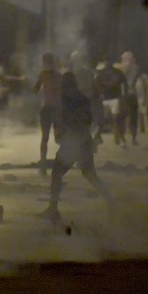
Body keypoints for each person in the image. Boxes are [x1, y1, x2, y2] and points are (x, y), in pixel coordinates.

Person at [39, 71, 114, 223]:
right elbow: (88, 120)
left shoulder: (65, 99)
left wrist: (62, 133)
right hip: (85, 139)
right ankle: (112, 202)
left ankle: (53, 210)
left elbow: (64, 119)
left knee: (56, 174)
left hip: (72, 141)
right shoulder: (84, 99)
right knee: (90, 175)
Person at [33, 53, 61, 174]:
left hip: (47, 108)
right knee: (60, 137)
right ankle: (61, 163)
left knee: (45, 138)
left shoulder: (42, 75)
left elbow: (35, 90)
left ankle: (43, 166)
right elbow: (61, 93)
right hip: (57, 109)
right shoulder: (58, 76)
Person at [95, 59, 127, 146]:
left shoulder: (117, 72)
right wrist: (100, 94)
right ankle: (98, 137)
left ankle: (119, 138)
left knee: (115, 119)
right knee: (104, 120)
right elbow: (96, 84)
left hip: (114, 98)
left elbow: (123, 84)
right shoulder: (100, 73)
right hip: (105, 98)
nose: (107, 63)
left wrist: (123, 96)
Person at [119, 51, 141, 146]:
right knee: (130, 117)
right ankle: (130, 139)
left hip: (126, 94)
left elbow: (123, 76)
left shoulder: (128, 67)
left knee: (126, 116)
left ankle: (126, 139)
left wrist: (124, 66)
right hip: (130, 94)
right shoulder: (135, 67)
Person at [136, 67, 148, 134]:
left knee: (144, 113)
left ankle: (146, 128)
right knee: (138, 114)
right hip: (135, 97)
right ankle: (139, 128)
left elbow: (147, 87)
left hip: (142, 97)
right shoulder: (134, 78)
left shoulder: (143, 77)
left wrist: (146, 98)